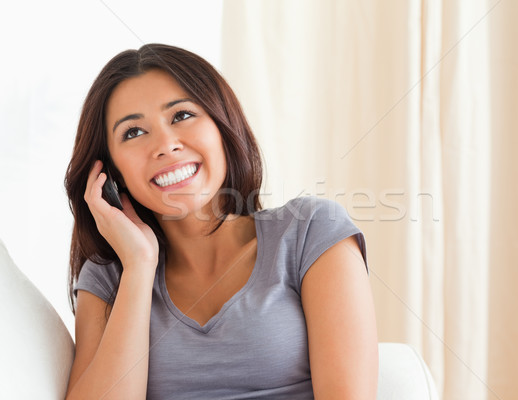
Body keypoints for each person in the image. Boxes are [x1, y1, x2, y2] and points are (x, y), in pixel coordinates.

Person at [64, 43, 378, 399]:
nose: (166, 145)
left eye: (181, 115)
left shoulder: (310, 232)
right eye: (133, 132)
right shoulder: (108, 276)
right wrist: (138, 266)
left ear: (222, 126)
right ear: (110, 172)